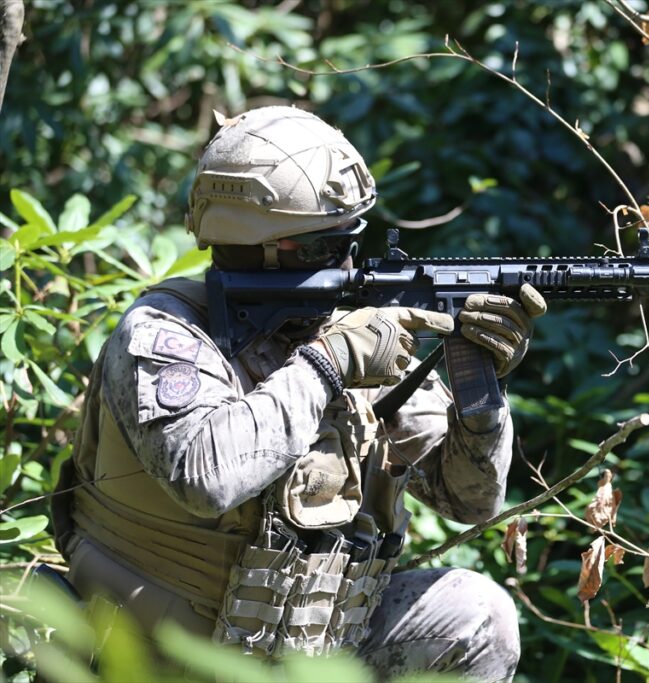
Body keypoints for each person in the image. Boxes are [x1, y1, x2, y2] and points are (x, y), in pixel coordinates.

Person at [51, 105, 546, 681]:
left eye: (352, 241)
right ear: (251, 246)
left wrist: (478, 386)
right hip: (158, 658)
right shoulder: (165, 334)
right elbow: (206, 476)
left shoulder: (343, 326)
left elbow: (469, 501)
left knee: (477, 614)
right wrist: (328, 364)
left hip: (308, 653)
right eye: (322, 249)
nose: (347, 264)